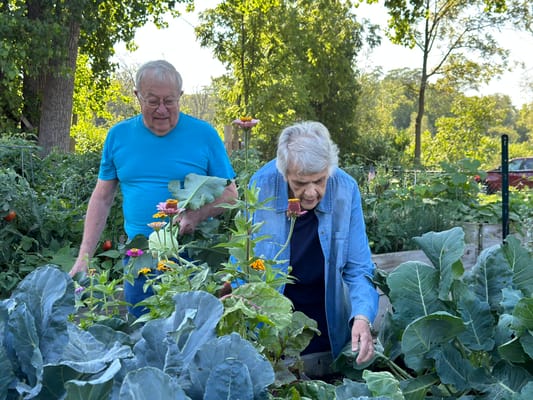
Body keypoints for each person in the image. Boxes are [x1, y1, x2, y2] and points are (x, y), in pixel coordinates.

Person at [69, 60, 237, 317]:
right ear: (137, 96)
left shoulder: (204, 135)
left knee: (193, 340)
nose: (161, 110)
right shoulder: (119, 136)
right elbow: (102, 198)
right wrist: (84, 257)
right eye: (152, 101)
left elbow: (231, 194)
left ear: (180, 96)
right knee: (142, 340)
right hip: (140, 258)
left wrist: (196, 214)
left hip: (190, 257)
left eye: (169, 101)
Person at [249, 121, 378, 366]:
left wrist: (362, 316)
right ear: (283, 172)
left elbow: (359, 268)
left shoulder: (346, 189)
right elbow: (245, 260)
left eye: (319, 181)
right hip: (271, 322)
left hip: (327, 321)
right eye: (299, 183)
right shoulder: (261, 186)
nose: (310, 193)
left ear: (329, 170)